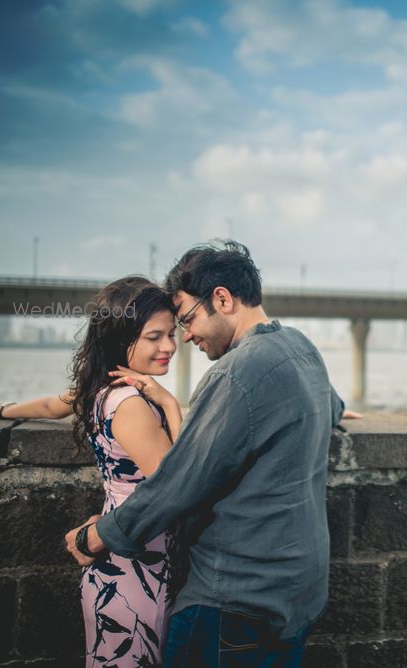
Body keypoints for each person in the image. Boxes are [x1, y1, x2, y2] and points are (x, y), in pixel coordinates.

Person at [65, 241, 349, 667]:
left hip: (234, 599)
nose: (185, 336)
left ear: (222, 298)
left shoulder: (237, 373)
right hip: (297, 593)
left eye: (188, 319)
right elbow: (333, 406)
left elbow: (177, 483)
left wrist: (97, 536)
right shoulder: (302, 350)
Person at [0, 276, 184, 666]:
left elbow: (53, 405)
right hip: (139, 568)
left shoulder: (98, 389)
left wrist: (2, 410)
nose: (168, 346)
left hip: (116, 562)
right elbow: (180, 484)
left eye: (171, 333)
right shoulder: (132, 404)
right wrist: (170, 405)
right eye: (154, 336)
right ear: (121, 336)